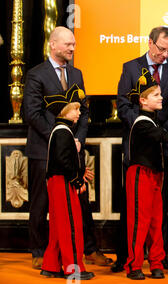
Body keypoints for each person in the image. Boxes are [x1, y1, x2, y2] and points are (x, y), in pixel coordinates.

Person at [22, 26, 111, 270]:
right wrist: (60, 138)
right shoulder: (36, 74)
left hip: (75, 149)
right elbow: (32, 113)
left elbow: (84, 113)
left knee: (81, 201)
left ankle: (89, 249)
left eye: (73, 44)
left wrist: (79, 139)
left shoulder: (77, 73)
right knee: (41, 203)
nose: (72, 48)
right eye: (68, 44)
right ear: (53, 45)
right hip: (44, 150)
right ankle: (39, 252)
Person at [115, 26, 168, 272]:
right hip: (137, 145)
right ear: (150, 43)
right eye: (161, 49)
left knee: (159, 205)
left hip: (162, 146)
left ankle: (160, 256)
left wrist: (162, 131)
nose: (165, 54)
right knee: (132, 206)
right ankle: (126, 257)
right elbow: (123, 104)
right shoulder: (130, 67)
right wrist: (144, 124)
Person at [40, 84, 94, 280]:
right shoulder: (63, 131)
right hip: (63, 182)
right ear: (65, 110)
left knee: (58, 225)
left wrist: (80, 170)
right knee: (71, 224)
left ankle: (51, 265)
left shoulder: (60, 130)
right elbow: (63, 160)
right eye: (76, 108)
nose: (79, 112)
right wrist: (77, 179)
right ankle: (74, 268)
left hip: (57, 181)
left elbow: (62, 158)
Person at [123, 69, 168, 280]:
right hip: (140, 175)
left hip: (154, 176)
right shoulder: (142, 123)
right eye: (156, 95)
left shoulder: (153, 121)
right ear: (143, 100)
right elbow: (162, 137)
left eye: (160, 94)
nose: (161, 98)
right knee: (139, 221)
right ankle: (134, 265)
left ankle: (156, 263)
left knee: (155, 221)